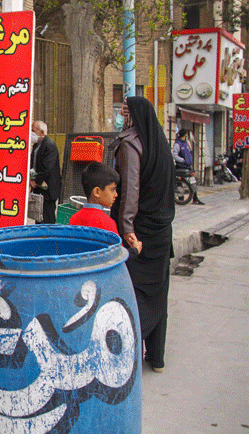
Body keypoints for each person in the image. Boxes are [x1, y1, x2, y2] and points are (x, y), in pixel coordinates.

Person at [110, 96, 175, 374]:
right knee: (159, 292)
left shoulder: (130, 144)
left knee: (134, 292)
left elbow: (130, 191)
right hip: (162, 230)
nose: (122, 116)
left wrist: (127, 229)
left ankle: (129, 353)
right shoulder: (160, 143)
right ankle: (157, 358)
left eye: (125, 112)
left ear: (133, 115)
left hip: (139, 232)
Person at [69, 161, 142, 257]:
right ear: (97, 192)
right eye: (112, 189)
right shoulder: (107, 223)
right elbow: (117, 256)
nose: (116, 194)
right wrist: (135, 251)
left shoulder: (74, 219)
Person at [29, 120, 62, 223]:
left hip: (48, 190)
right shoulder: (36, 145)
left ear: (41, 132)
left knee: (47, 218)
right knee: (39, 217)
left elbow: (47, 168)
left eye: (33, 130)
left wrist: (36, 181)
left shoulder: (49, 145)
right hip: (39, 189)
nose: (31, 133)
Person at [172, 128, 204, 205]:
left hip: (188, 166)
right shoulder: (177, 144)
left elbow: (189, 152)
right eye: (187, 134)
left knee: (192, 181)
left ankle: (195, 198)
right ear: (185, 134)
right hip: (181, 166)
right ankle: (181, 198)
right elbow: (174, 155)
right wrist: (182, 160)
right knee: (179, 181)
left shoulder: (186, 143)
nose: (187, 135)